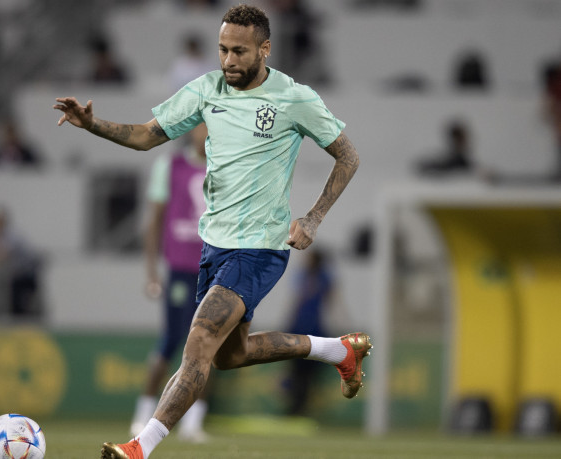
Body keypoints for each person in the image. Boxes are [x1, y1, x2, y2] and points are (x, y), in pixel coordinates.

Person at [54, 5, 371, 458]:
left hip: (259, 248)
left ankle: (139, 447)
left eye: (239, 51)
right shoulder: (206, 90)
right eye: (222, 50)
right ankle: (338, 352)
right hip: (214, 247)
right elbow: (147, 135)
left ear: (264, 49)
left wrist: (315, 216)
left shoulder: (293, 97)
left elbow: (348, 156)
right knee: (229, 356)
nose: (228, 61)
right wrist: (92, 125)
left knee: (199, 340)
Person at [130, 123, 209, 443]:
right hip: (179, 268)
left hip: (212, 268)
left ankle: (193, 424)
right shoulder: (171, 166)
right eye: (201, 126)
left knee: (208, 345)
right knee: (172, 339)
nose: (205, 133)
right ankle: (142, 415)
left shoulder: (227, 164)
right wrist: (151, 270)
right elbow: (155, 220)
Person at [282, 248, 336, 416]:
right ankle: (294, 408)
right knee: (295, 371)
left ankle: (300, 409)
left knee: (308, 374)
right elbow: (297, 301)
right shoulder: (302, 276)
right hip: (299, 328)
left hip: (314, 329)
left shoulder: (324, 278)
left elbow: (331, 302)